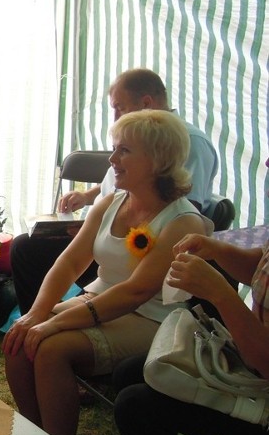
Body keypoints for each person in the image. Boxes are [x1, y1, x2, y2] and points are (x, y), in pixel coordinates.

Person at [2, 109, 212, 435]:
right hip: (99, 302)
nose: (112, 159)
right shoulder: (111, 202)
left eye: (124, 151)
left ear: (158, 160)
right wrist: (36, 314)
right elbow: (69, 262)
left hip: (151, 318)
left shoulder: (183, 221)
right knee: (18, 340)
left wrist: (53, 324)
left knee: (50, 348)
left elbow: (136, 291)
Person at [11, 68, 219, 314]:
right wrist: (89, 197)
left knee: (28, 251)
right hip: (108, 228)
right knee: (25, 246)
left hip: (137, 247)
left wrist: (106, 226)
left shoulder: (188, 141)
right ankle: (33, 317)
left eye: (118, 107)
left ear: (146, 103)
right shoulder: (134, 138)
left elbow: (178, 208)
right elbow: (124, 181)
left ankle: (43, 320)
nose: (115, 117)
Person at [114, 217, 269, 435]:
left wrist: (220, 294)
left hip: (262, 391)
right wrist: (218, 250)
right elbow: (260, 267)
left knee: (135, 407)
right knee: (132, 373)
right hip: (252, 364)